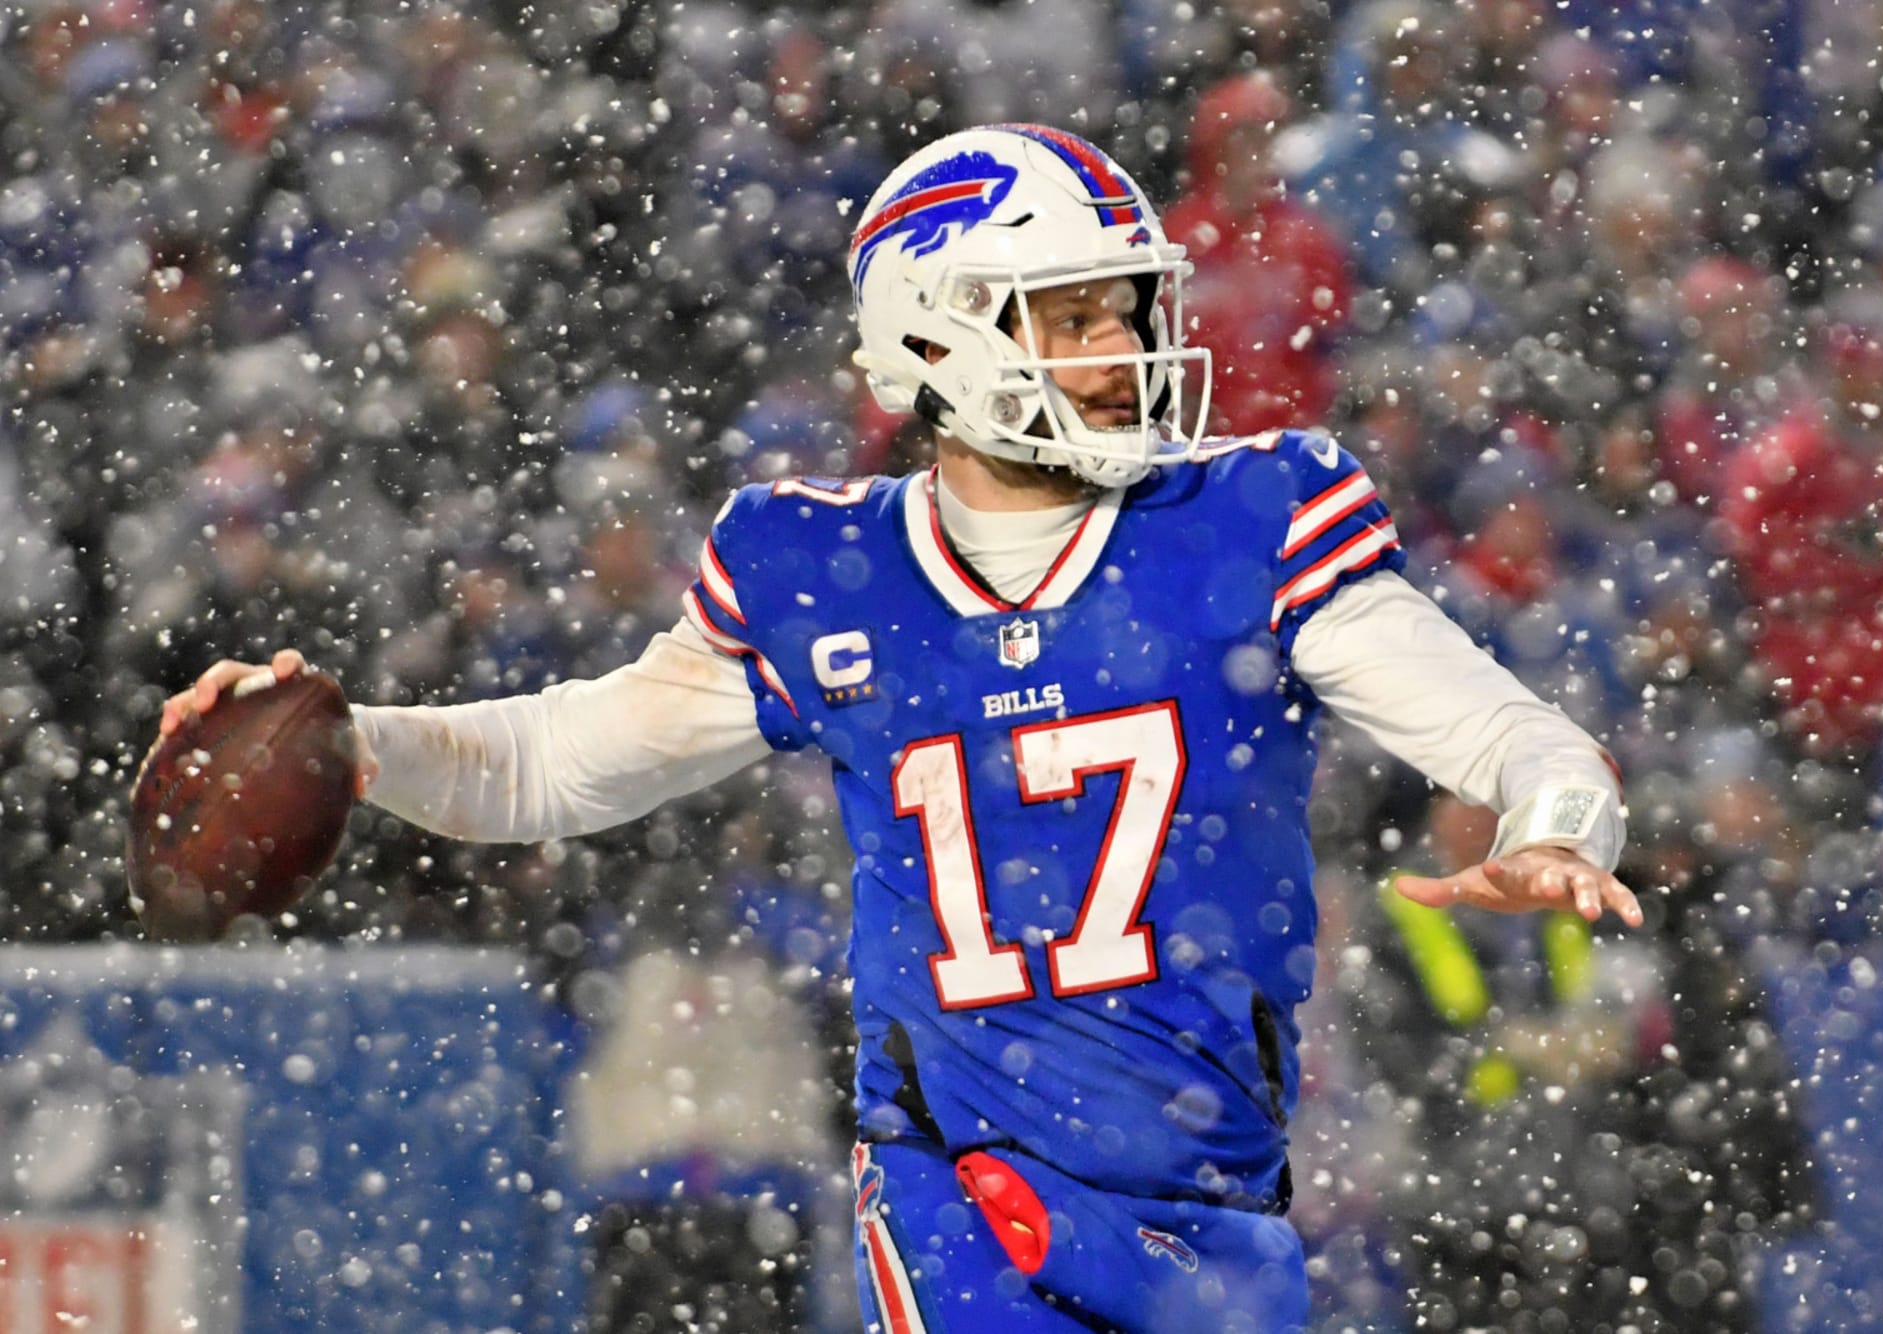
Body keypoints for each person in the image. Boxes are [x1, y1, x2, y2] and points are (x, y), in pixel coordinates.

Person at [159, 123, 1641, 1334]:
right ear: (940, 334)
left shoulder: (1251, 519)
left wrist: (1558, 827)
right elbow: (559, 760)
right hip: (961, 1187)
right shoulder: (825, 567)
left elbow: (1518, 739)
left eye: (1126, 309)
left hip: (1213, 1204)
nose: (1119, 349)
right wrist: (356, 744)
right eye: (1071, 316)